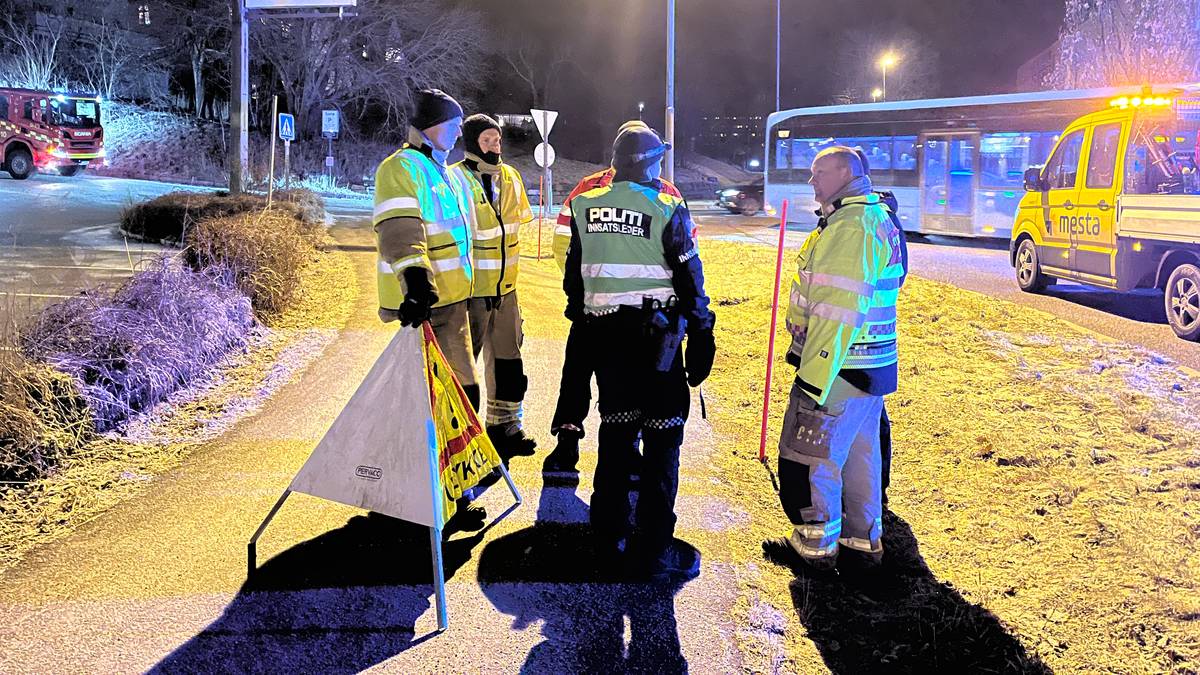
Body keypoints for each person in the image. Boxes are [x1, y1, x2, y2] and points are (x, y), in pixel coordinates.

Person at [564, 125, 716, 579]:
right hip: (658, 342)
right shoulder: (667, 205)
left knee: (614, 437)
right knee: (663, 440)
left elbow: (575, 277)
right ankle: (652, 546)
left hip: (606, 339)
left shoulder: (584, 205)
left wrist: (585, 318)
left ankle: (607, 537)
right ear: (650, 164)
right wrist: (703, 332)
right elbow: (690, 279)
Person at [764, 146, 905, 573]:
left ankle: (814, 547)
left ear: (845, 172)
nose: (811, 181)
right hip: (870, 366)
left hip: (840, 368)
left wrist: (814, 377)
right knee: (862, 456)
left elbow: (837, 310)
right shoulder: (866, 216)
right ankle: (863, 544)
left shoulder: (852, 226)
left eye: (818, 172)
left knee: (811, 456)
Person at [543, 120, 684, 474]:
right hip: (592, 304)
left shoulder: (667, 192)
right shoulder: (587, 189)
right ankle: (568, 437)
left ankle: (626, 448)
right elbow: (564, 242)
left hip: (633, 314)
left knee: (624, 386)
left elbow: (681, 248)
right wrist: (583, 288)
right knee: (576, 372)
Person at [372, 88, 485, 529]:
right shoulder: (401, 168)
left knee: (456, 398)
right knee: (440, 403)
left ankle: (448, 490)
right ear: (430, 125)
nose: (460, 131)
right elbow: (401, 231)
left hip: (454, 305)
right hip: (427, 307)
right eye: (454, 123)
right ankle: (431, 499)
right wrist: (416, 284)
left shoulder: (443, 172)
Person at [459, 113, 538, 458]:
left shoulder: (511, 177)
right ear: (473, 143)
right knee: (463, 368)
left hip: (506, 291)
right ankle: (459, 437)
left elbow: (518, 224)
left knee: (508, 361)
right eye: (487, 140)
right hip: (470, 292)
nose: (495, 146)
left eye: (498, 140)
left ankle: (505, 428)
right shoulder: (456, 179)